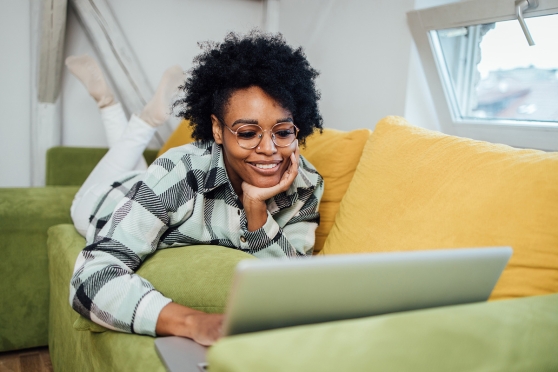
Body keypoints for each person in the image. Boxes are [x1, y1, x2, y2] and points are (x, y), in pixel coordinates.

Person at [68, 31, 324, 346]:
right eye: (247, 132)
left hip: (155, 187)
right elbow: (90, 278)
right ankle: (119, 108)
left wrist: (256, 209)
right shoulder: (180, 172)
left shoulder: (305, 184)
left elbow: (298, 283)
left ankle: (135, 115)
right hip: (104, 201)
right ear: (217, 129)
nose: (269, 149)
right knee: (103, 183)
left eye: (283, 131)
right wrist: (192, 321)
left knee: (146, 174)